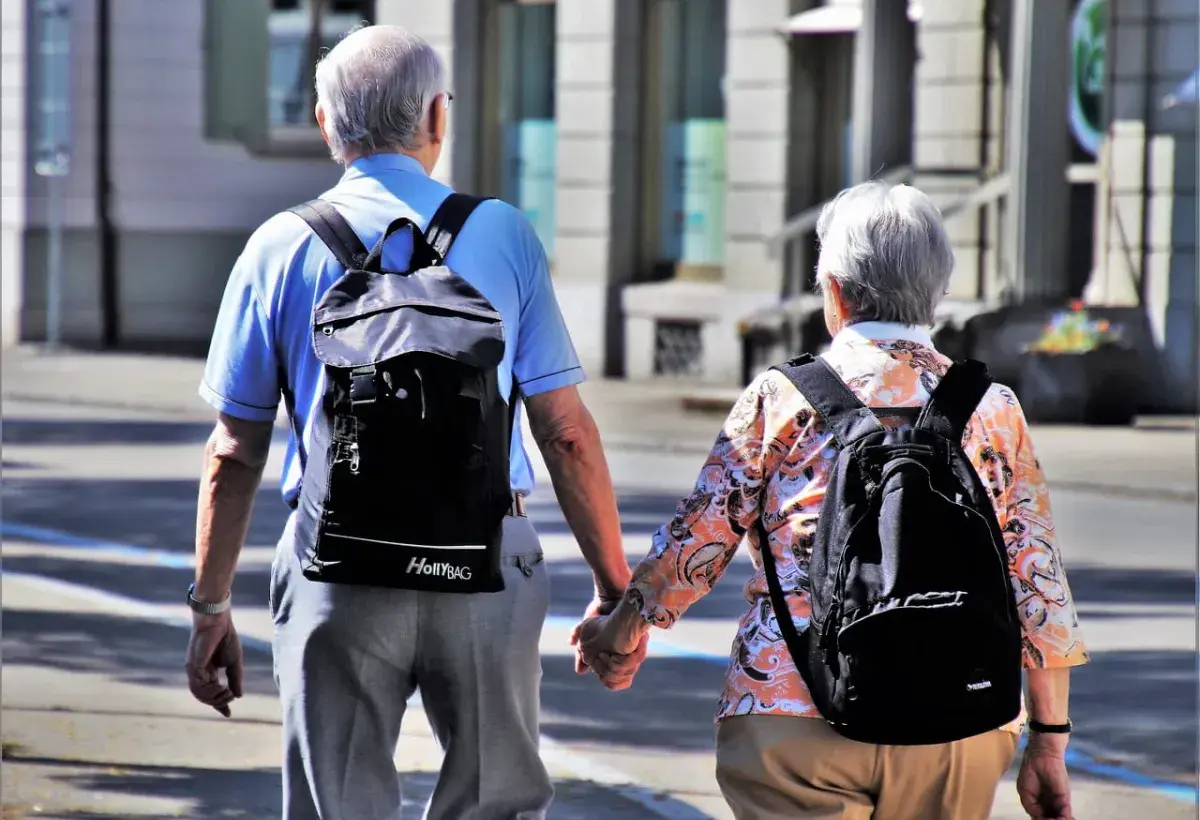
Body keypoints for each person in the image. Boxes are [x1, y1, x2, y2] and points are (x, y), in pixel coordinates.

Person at [184, 24, 643, 820]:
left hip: (337, 569)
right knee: (496, 800)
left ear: (325, 124)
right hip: (487, 563)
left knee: (337, 802)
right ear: (437, 116)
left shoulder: (277, 247)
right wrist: (614, 591)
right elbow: (565, 433)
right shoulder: (503, 233)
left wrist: (211, 608)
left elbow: (234, 452)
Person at [575, 181, 1089, 820]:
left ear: (836, 292)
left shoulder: (781, 397)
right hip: (959, 720)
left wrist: (622, 629)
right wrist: (1049, 739)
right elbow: (1039, 584)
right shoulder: (993, 408)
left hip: (792, 709)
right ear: (936, 291)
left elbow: (698, 540)